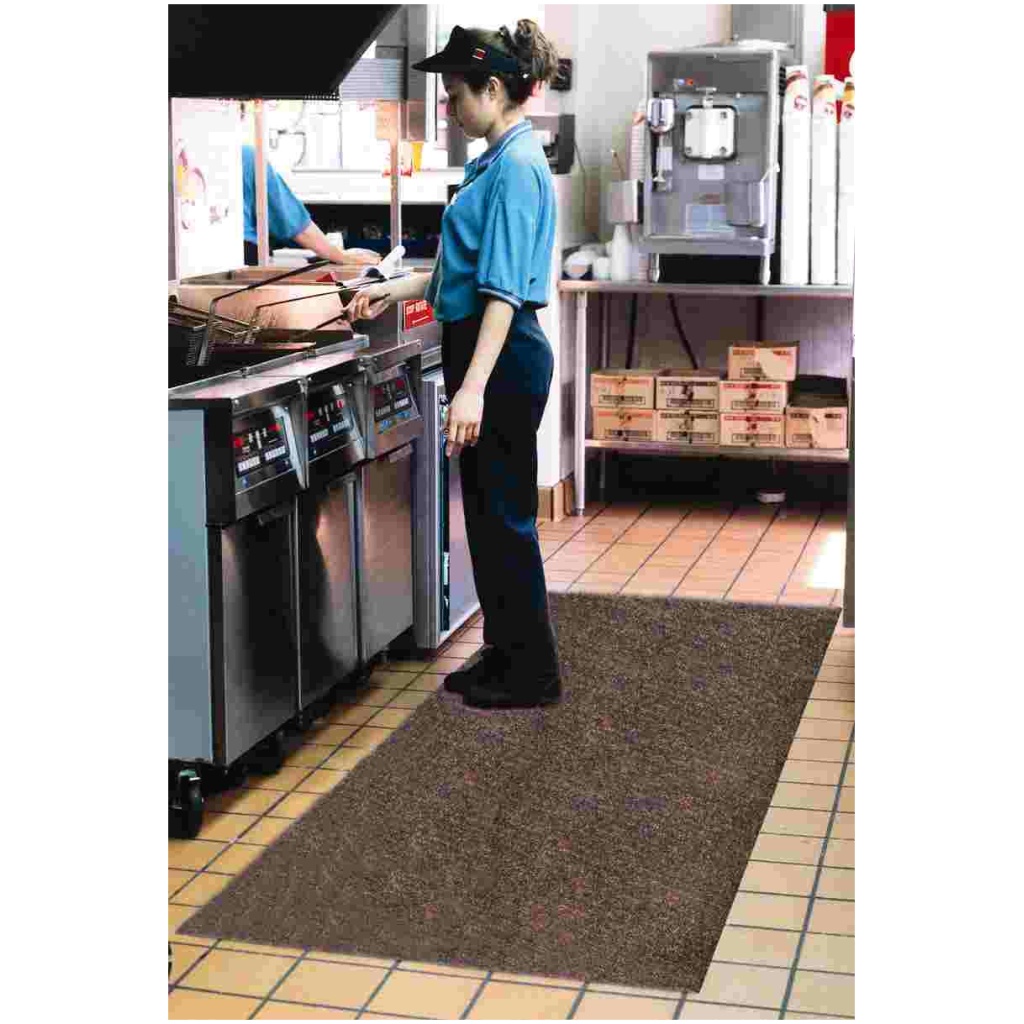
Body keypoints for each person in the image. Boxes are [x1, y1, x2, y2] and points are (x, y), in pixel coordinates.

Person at [346, 20, 561, 710]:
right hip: (484, 354)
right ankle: (502, 653)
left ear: (493, 89)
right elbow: (460, 273)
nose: (448, 107)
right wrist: (390, 287)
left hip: (503, 358)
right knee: (487, 517)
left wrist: (470, 390)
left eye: (454, 93)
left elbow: (501, 294)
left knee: (506, 517)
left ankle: (533, 672)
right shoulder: (493, 161)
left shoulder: (520, 168)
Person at [241, 143, 380, 268]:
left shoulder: (239, 155)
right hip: (242, 257)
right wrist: (340, 255)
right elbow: (294, 223)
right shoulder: (247, 155)